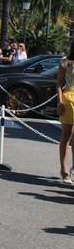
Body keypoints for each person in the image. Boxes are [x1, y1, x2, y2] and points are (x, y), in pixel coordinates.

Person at [56, 42, 74, 185]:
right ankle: (64, 169)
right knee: (66, 136)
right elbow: (59, 83)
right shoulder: (65, 62)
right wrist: (60, 101)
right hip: (69, 98)